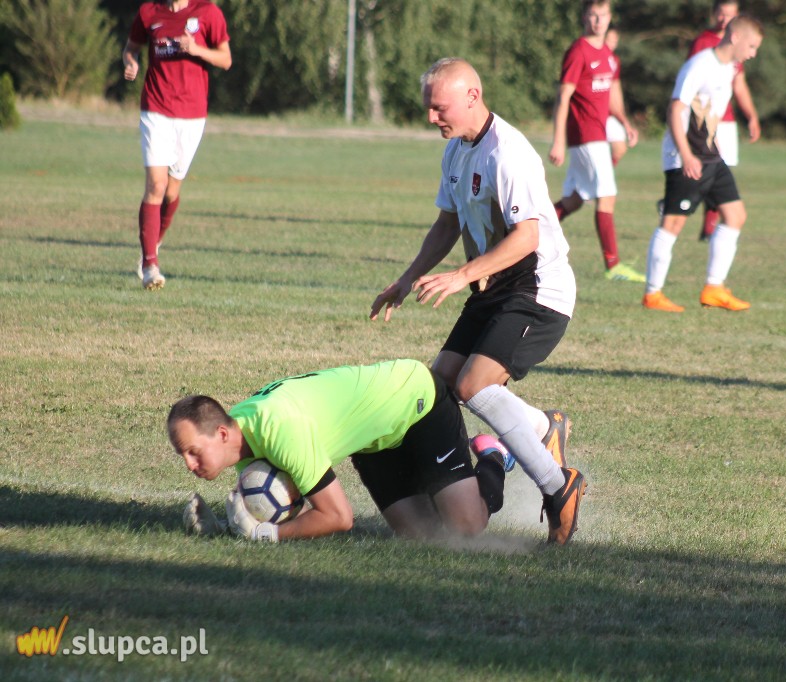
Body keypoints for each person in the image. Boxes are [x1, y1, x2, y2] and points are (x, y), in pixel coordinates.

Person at [369, 58, 587, 545]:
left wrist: (464, 273)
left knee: (473, 386)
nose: (431, 118)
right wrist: (407, 280)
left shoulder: (507, 153)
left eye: (438, 108)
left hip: (538, 291)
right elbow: (447, 224)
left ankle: (559, 486)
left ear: (472, 96)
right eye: (428, 108)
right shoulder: (457, 150)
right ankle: (536, 428)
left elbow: (528, 237)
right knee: (438, 385)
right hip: (494, 290)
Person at [168, 359, 510, 542]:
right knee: (425, 537)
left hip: (414, 403)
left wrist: (267, 535)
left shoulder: (281, 430)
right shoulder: (240, 431)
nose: (189, 463)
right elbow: (274, 500)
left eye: (193, 451)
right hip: (373, 439)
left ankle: (493, 455)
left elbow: (338, 518)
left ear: (223, 433)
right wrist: (225, 527)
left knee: (466, 528)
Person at [642, 15, 763, 313]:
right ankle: (653, 294)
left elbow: (710, 115)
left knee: (735, 215)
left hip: (711, 156)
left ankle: (714, 287)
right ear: (735, 37)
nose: (753, 53)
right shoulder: (699, 65)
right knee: (673, 223)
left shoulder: (728, 69)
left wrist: (716, 147)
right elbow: (675, 109)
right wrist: (685, 155)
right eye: (752, 46)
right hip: (686, 159)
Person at [122, 0, 232, 291]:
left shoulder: (208, 12)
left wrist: (196, 49)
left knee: (171, 193)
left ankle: (154, 241)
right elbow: (131, 47)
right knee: (156, 186)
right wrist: (130, 62)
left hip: (192, 114)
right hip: (155, 109)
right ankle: (150, 264)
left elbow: (225, 59)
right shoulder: (149, 12)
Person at [549, 0, 644, 284]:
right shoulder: (578, 51)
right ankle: (613, 265)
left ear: (609, 17)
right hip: (585, 135)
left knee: (575, 200)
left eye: (602, 15)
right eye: (592, 15)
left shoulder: (609, 55)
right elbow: (563, 96)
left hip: (599, 134)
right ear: (584, 17)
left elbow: (612, 95)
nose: (597, 21)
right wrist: (558, 140)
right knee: (607, 196)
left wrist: (625, 122)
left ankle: (521, 233)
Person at [687, 0, 760, 241]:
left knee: (720, 174)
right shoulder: (704, 44)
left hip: (725, 121)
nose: (723, 19)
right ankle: (678, 203)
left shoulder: (738, 49)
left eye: (729, 15)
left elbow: (738, 84)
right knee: (709, 174)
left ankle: (709, 226)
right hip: (704, 123)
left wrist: (751, 116)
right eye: (720, 13)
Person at [603, 26, 630, 167]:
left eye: (615, 40)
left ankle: (602, 173)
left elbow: (615, 88)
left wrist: (621, 114)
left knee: (620, 148)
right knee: (618, 147)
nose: (612, 43)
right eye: (609, 39)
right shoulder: (598, 57)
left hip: (612, 113)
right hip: (599, 112)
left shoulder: (614, 60)